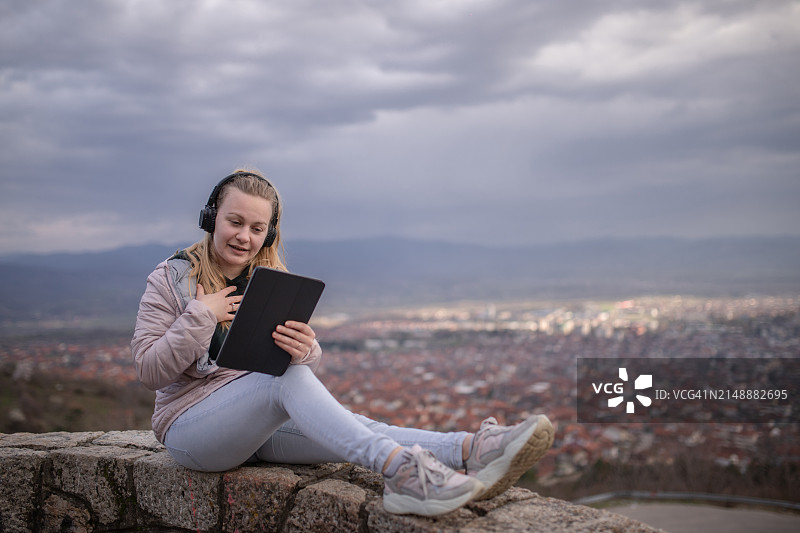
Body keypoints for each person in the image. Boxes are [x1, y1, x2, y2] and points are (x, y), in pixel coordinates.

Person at [131, 169, 554, 516]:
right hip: (191, 428)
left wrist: (305, 349)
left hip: (253, 427)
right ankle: (401, 474)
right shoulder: (171, 279)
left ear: (269, 233)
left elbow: (282, 368)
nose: (244, 236)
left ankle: (469, 450)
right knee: (285, 381)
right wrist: (201, 315)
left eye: (257, 228)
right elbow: (150, 370)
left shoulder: (267, 284)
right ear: (211, 219)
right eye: (235, 222)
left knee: (357, 425)